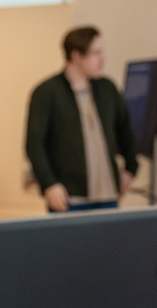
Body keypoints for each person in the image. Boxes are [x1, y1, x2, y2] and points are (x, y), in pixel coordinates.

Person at [26, 26, 139, 212]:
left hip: (108, 197)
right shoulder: (46, 93)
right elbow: (34, 144)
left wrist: (130, 169)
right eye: (96, 53)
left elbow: (126, 132)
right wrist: (49, 184)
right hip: (69, 198)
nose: (102, 58)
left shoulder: (107, 89)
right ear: (77, 56)